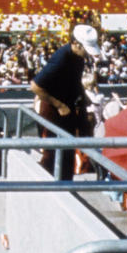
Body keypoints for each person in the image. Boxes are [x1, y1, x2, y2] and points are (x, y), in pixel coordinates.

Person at [30, 24, 101, 179]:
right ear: (75, 43)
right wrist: (59, 105)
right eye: (85, 49)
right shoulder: (60, 59)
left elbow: (76, 82)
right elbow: (35, 86)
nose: (87, 54)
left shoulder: (79, 58)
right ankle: (49, 183)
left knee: (68, 149)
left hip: (69, 105)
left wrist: (84, 102)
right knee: (53, 150)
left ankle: (66, 183)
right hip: (54, 107)